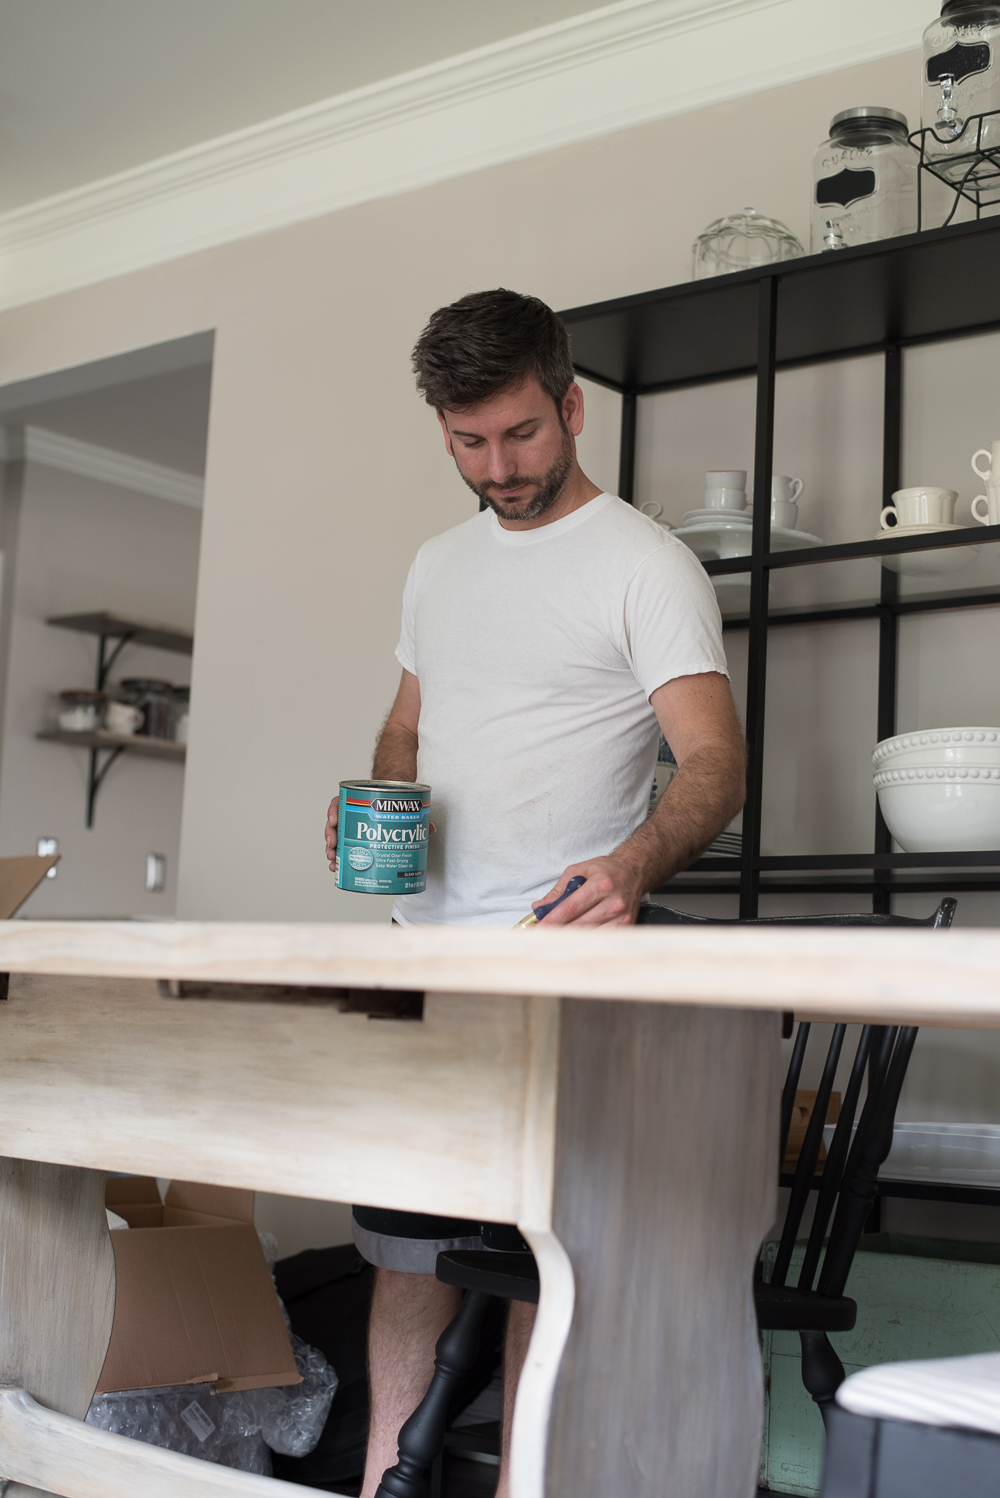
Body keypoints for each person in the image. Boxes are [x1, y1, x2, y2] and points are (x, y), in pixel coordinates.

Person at [324, 288, 745, 1498]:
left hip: (553, 956)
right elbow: (407, 724)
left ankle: (522, 1485)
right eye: (467, 443)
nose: (496, 467)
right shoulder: (435, 564)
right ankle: (376, 1482)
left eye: (518, 435)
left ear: (570, 405)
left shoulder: (642, 563)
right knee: (405, 1254)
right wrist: (374, 808)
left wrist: (630, 867)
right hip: (423, 955)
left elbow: (714, 760)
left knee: (530, 1257)